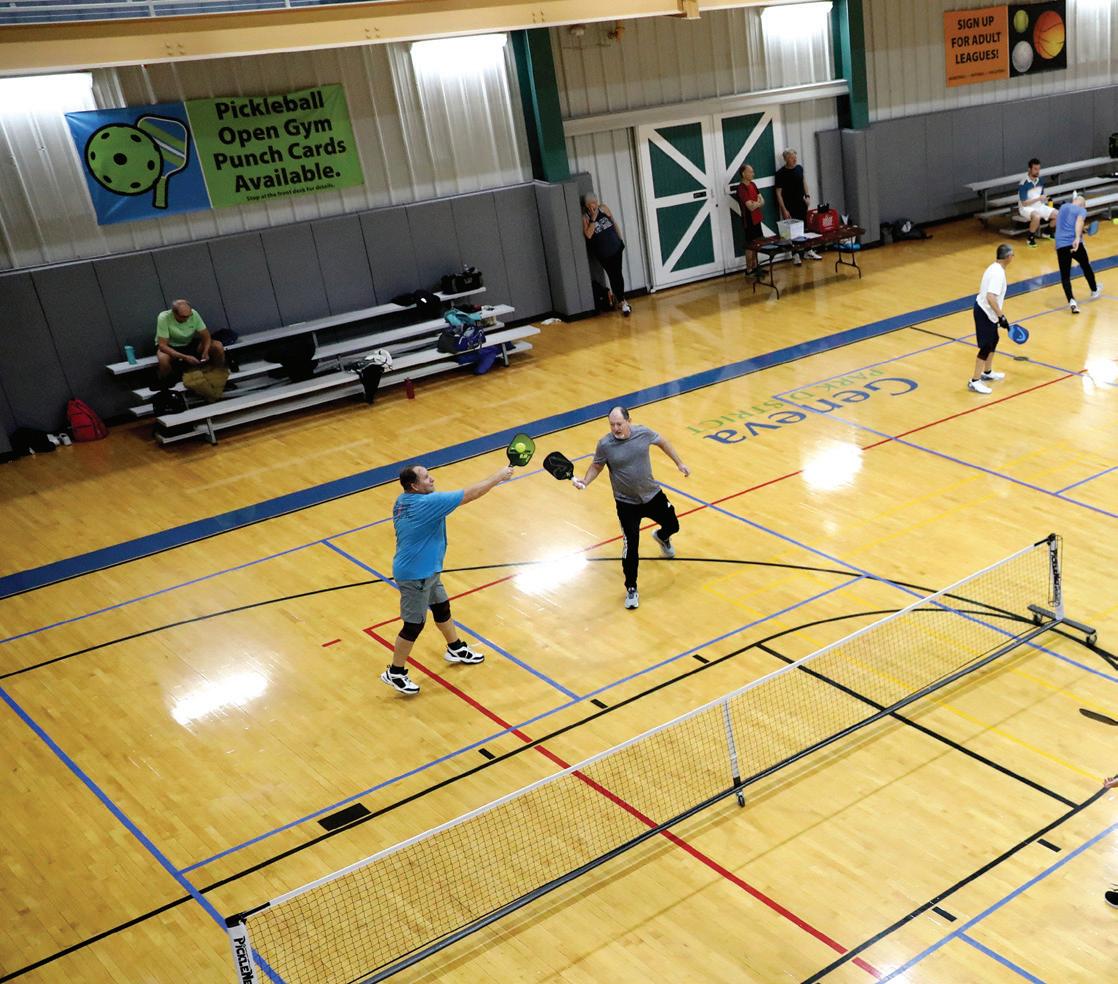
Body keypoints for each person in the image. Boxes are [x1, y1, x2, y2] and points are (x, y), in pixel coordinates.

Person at [380, 462, 514, 695]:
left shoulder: (403, 500)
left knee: (441, 608)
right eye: (426, 477)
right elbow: (471, 494)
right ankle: (395, 672)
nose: (432, 479)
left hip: (429, 571)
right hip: (415, 576)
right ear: (414, 486)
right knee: (413, 625)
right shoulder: (427, 503)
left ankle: (455, 648)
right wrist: (498, 476)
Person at [573, 407, 689, 610]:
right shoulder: (605, 444)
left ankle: (662, 536)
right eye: (612, 425)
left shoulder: (643, 433)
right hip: (626, 504)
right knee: (630, 548)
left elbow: (663, 442)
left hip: (652, 495)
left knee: (673, 525)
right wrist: (585, 481)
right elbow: (597, 466)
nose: (615, 428)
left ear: (628, 421)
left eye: (619, 424)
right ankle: (631, 588)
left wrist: (679, 463)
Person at [968, 244, 1013, 395]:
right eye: (1012, 255)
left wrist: (998, 316)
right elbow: (990, 297)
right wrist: (1001, 316)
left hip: (988, 311)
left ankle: (987, 372)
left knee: (994, 339)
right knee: (986, 346)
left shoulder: (995, 268)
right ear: (1008, 257)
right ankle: (975, 381)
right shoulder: (997, 274)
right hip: (984, 312)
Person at [155, 299, 225, 387]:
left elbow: (206, 336)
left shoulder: (194, 314)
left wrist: (206, 351)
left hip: (189, 343)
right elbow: (162, 346)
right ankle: (170, 384)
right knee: (163, 359)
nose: (187, 319)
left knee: (217, 346)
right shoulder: (163, 317)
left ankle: (219, 377)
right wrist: (185, 357)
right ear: (174, 313)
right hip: (171, 346)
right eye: (183, 317)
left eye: (189, 316)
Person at [582, 193, 631, 316]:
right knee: (612, 275)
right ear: (587, 206)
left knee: (618, 273)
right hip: (604, 253)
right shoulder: (586, 218)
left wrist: (620, 239)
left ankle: (621, 300)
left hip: (615, 247)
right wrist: (593, 218)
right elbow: (588, 235)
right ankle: (622, 301)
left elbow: (613, 222)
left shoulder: (603, 208)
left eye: (594, 203)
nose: (593, 206)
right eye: (590, 204)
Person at [1054, 192, 1102, 314]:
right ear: (1082, 205)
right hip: (1075, 244)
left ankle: (1072, 301)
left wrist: (1082, 230)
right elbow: (1079, 222)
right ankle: (1094, 290)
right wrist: (1076, 237)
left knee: (1065, 276)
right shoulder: (1081, 210)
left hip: (1060, 245)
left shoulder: (1063, 207)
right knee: (1086, 266)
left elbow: (1064, 224)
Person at [773, 148, 821, 265]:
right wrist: (784, 209)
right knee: (792, 231)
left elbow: (804, 182)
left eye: (795, 157)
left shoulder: (799, 168)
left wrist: (807, 196)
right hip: (790, 206)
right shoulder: (780, 173)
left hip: (801, 203)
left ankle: (808, 250)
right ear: (785, 159)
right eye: (791, 157)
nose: (794, 159)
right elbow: (778, 193)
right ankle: (795, 254)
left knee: (806, 227)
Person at [1018, 157, 1057, 248]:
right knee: (1037, 216)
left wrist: (1044, 199)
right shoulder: (1023, 184)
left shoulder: (1041, 180)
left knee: (1058, 214)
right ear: (1029, 169)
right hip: (1026, 208)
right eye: (1035, 169)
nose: (1037, 171)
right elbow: (1024, 203)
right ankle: (1030, 238)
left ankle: (1047, 232)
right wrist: (1038, 198)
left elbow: (1041, 195)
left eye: (1039, 169)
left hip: (1039, 205)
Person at [735, 163, 765, 277]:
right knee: (750, 245)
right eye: (750, 172)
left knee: (757, 243)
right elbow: (750, 207)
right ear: (744, 174)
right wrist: (757, 203)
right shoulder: (741, 188)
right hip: (749, 220)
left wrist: (756, 203)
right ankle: (749, 269)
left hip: (757, 218)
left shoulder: (753, 184)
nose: (753, 174)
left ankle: (756, 266)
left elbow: (762, 201)